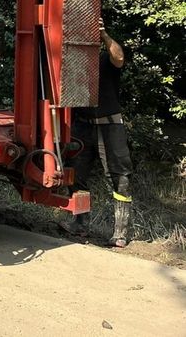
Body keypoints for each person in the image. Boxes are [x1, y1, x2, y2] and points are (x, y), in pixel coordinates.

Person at [67, 20, 133, 247]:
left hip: (110, 125)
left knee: (120, 178)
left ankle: (120, 233)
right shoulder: (74, 63)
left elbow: (120, 58)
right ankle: (79, 224)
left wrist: (104, 34)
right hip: (82, 125)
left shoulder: (106, 58)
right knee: (76, 175)